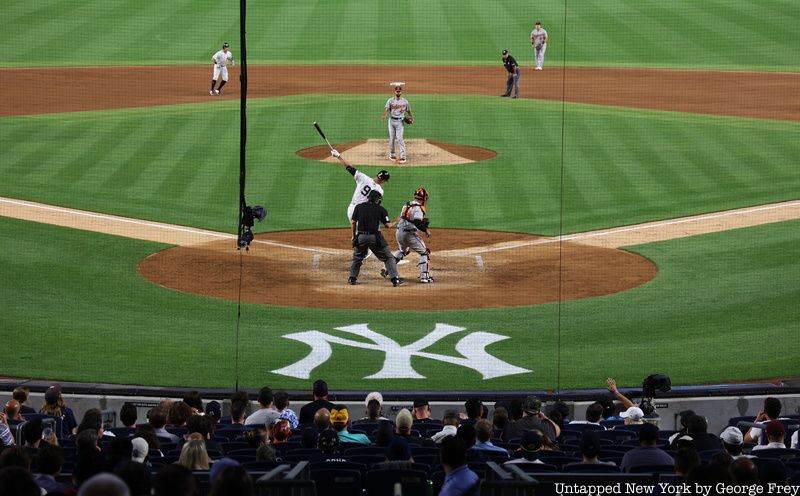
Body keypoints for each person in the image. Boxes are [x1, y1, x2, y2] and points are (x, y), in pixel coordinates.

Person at [348, 189, 403, 286]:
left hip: (360, 237)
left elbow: (353, 222)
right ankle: (395, 279)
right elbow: (388, 226)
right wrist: (396, 221)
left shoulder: (359, 207)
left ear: (368, 198)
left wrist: (353, 236)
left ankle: (352, 278)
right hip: (375, 238)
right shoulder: (381, 209)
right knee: (388, 258)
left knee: (357, 257)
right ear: (377, 199)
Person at [384, 187, 433, 283]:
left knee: (402, 250)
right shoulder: (418, 208)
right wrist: (426, 230)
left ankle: (386, 269)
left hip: (399, 232)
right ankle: (425, 277)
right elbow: (417, 222)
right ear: (423, 198)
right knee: (424, 252)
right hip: (409, 235)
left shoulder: (407, 204)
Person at [380, 83, 414, 164]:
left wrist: (412, 118)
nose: (398, 92)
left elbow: (409, 111)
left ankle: (403, 157)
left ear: (401, 92)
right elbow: (387, 109)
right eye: (397, 91)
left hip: (400, 122)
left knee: (400, 138)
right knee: (392, 139)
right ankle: (392, 154)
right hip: (391, 122)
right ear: (395, 92)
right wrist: (384, 115)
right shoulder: (390, 100)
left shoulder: (405, 101)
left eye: (399, 91)